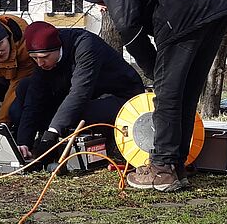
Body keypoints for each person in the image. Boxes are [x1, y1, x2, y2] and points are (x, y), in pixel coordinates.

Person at [83, 0, 227, 192]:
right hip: (222, 6)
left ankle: (162, 168)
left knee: (168, 93)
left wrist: (153, 70)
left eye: (100, 4)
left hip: (185, 8)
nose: (102, 9)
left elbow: (128, 26)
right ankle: (177, 165)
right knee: (187, 91)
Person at [15, 21, 144, 161]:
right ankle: (39, 144)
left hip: (122, 97)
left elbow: (79, 93)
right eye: (34, 58)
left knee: (78, 113)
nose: (40, 64)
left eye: (44, 58)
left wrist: (52, 134)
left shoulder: (86, 46)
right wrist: (23, 142)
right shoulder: (44, 61)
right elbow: (35, 98)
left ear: (58, 48)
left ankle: (68, 146)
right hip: (88, 94)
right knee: (25, 88)